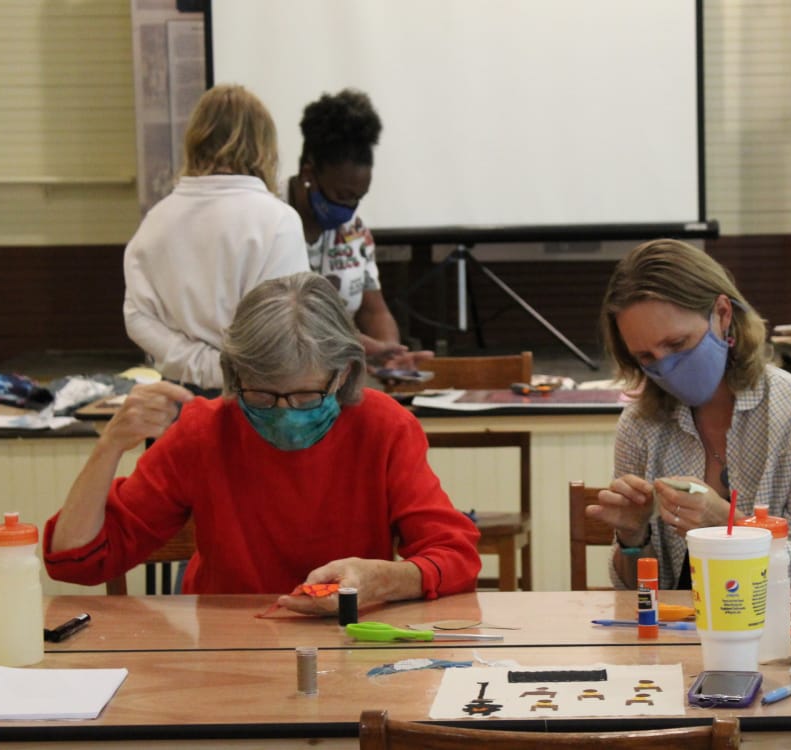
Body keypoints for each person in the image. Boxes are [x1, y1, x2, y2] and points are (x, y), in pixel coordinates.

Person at [46, 272, 481, 613]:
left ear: (345, 373)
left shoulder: (383, 427)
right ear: (236, 376)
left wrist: (383, 579)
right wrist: (110, 446)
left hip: (352, 638)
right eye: (261, 394)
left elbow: (454, 555)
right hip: (230, 648)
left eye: (306, 395)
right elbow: (77, 560)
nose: (284, 412)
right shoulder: (205, 431)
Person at [587, 239, 791, 590]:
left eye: (677, 344)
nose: (666, 366)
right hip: (673, 639)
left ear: (723, 315)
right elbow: (639, 596)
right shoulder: (641, 425)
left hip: (780, 636)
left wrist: (732, 528)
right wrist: (633, 538)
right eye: (647, 358)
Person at [124, 84, 310, 393]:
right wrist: (223, 372)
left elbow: (137, 317)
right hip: (257, 400)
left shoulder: (157, 220)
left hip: (176, 398)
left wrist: (199, 363)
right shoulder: (278, 220)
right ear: (264, 147)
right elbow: (286, 331)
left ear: (194, 140)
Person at [285, 88, 431, 373]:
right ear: (308, 174)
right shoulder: (269, 221)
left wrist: (391, 354)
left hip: (339, 381)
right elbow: (292, 320)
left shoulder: (355, 231)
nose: (349, 209)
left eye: (358, 198)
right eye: (341, 195)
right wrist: (365, 347)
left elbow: (372, 309)